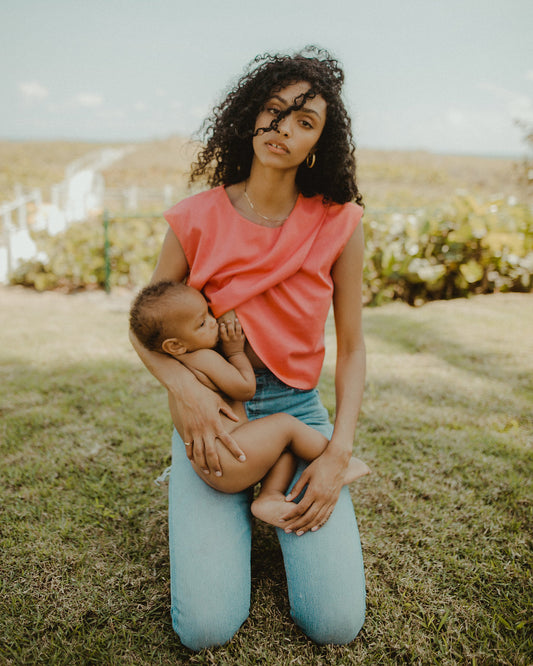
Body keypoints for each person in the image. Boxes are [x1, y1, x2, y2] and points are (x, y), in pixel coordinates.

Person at [129, 46, 368, 650]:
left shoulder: (339, 222)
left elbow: (354, 347)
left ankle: (268, 485)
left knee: (334, 625)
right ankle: (207, 485)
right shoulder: (195, 218)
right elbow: (144, 325)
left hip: (298, 413)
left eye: (304, 122)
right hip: (216, 417)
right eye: (275, 111)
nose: (284, 128)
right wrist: (184, 391)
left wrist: (337, 451)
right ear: (251, 117)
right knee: (205, 629)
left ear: (318, 145)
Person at [129, 280, 370, 520]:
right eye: (202, 323)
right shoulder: (203, 358)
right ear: (175, 345)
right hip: (232, 455)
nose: (213, 322)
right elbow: (245, 389)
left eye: (209, 313)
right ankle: (334, 458)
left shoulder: (181, 364)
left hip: (215, 462)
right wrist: (234, 351)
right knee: (286, 426)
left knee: (284, 448)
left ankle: (269, 497)